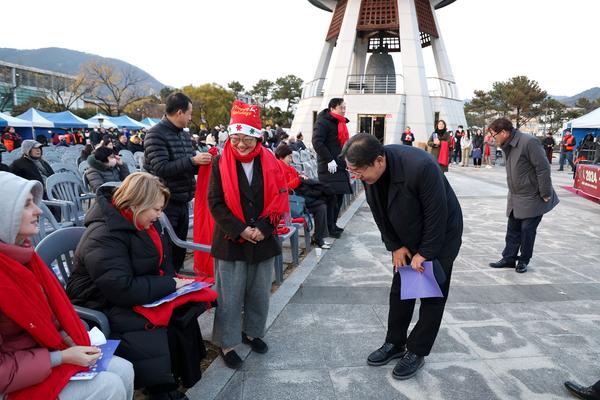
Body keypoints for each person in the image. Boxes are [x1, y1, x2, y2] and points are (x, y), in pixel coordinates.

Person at [66, 172, 211, 400]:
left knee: (183, 312)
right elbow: (121, 289)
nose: (159, 215)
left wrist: (175, 285)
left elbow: (163, 263)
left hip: (124, 292)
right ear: (135, 204)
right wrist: (170, 283)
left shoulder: (141, 224)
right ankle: (161, 390)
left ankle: (178, 377)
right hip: (99, 302)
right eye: (155, 209)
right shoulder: (103, 234)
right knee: (146, 326)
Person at [0, 171, 134, 400]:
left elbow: (48, 318)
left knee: (123, 368)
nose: (39, 211)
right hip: (15, 380)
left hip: (40, 356)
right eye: (26, 205)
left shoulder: (23, 256)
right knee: (109, 386)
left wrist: (71, 342)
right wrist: (62, 357)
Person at [341, 133, 462, 380]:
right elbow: (378, 212)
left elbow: (436, 214)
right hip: (406, 235)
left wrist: (425, 253)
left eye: (358, 171)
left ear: (379, 161)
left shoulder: (421, 166)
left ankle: (417, 350)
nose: (356, 176)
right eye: (352, 171)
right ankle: (395, 343)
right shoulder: (368, 172)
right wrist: (395, 245)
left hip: (440, 234)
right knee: (401, 289)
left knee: (431, 293)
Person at [208, 100, 288, 370]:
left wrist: (263, 229)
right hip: (231, 239)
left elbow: (279, 197)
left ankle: (252, 332)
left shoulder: (272, 162)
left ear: (258, 138)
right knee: (229, 296)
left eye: (247, 139)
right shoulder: (220, 162)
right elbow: (215, 203)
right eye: (236, 138)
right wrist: (241, 229)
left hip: (263, 238)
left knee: (258, 293)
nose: (241, 144)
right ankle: (227, 343)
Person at [144, 92, 212, 272]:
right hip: (165, 202)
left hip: (183, 198)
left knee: (180, 247)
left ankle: (177, 278)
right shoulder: (155, 134)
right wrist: (192, 161)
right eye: (190, 113)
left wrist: (205, 163)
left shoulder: (183, 135)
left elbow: (187, 165)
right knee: (166, 247)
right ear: (180, 112)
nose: (191, 118)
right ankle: (167, 281)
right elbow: (161, 168)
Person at [488, 118, 559, 273]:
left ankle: (523, 260)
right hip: (515, 195)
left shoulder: (529, 142)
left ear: (504, 133)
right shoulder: (507, 144)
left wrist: (545, 192)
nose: (493, 138)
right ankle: (509, 258)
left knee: (527, 229)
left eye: (494, 135)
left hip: (533, 195)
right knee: (513, 228)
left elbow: (543, 168)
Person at [275, 143, 333, 249]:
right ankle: (319, 238)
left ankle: (318, 237)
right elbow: (283, 189)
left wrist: (301, 177)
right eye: (289, 157)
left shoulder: (289, 168)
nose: (291, 159)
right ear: (281, 157)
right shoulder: (278, 169)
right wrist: (298, 180)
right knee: (321, 205)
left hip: (297, 198)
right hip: (289, 202)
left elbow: (296, 179)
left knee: (322, 205)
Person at [312, 98, 353, 238]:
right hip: (328, 167)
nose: (344, 109)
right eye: (342, 107)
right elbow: (317, 143)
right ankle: (328, 228)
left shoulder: (340, 122)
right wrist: (329, 159)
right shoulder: (322, 122)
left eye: (344, 107)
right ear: (333, 108)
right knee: (331, 199)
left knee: (339, 198)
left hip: (339, 165)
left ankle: (333, 224)